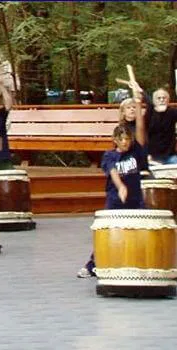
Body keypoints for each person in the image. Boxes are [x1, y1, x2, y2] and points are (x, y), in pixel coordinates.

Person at [78, 82, 146, 278]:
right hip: (115, 200)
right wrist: (120, 186)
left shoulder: (136, 152)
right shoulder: (109, 155)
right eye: (121, 139)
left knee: (144, 230)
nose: (125, 142)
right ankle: (93, 265)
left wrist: (138, 102)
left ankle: (146, 262)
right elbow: (113, 172)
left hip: (136, 200)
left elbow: (140, 128)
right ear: (115, 140)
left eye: (128, 139)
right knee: (108, 231)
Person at [145, 88, 177, 165]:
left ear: (168, 100)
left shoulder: (172, 112)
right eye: (159, 98)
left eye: (164, 98)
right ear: (154, 101)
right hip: (153, 157)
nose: (161, 100)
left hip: (171, 156)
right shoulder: (149, 114)